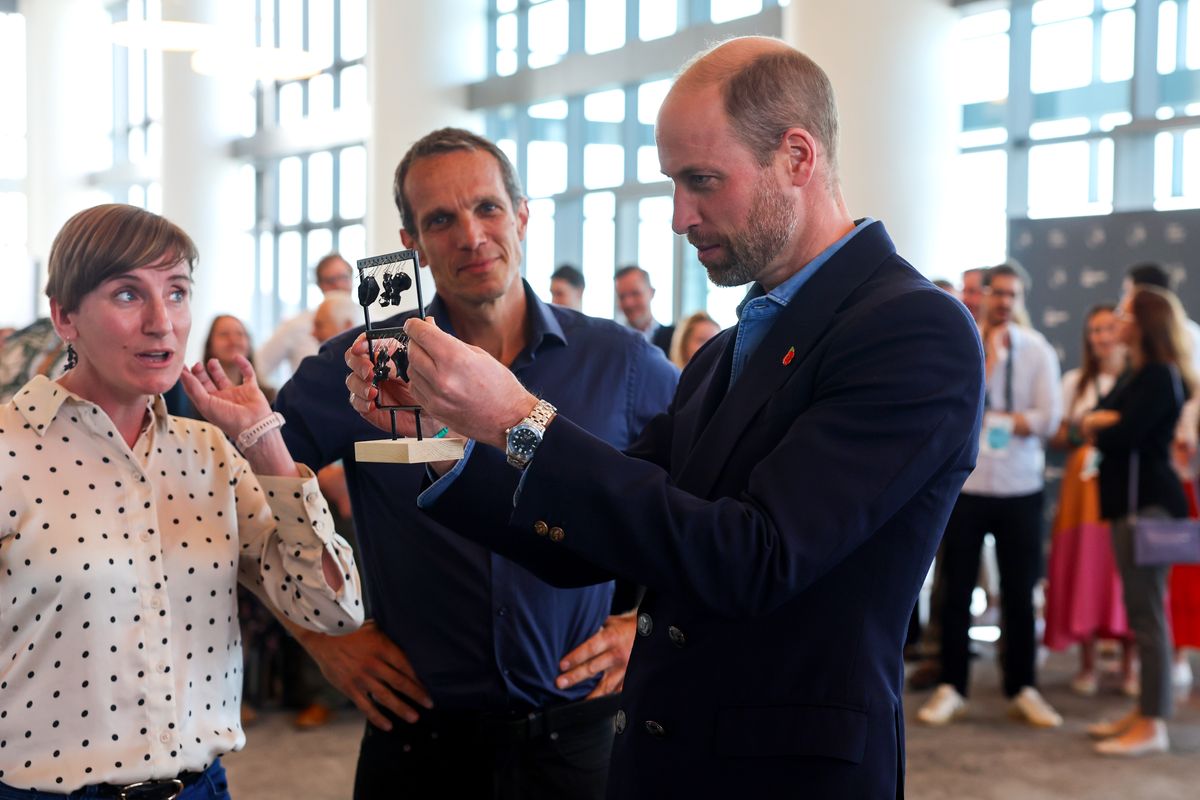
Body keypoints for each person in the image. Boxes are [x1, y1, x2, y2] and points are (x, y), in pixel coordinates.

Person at [356, 37, 985, 797]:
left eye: (702, 181)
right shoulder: (727, 353)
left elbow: (753, 559)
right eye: (673, 184)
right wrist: (446, 438)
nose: (681, 216)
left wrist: (520, 416)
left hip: (782, 775)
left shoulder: (911, 329)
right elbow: (597, 531)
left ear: (797, 157)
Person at [273, 127, 678, 799]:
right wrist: (319, 638)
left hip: (581, 743)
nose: (470, 235)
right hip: (418, 746)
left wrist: (649, 628)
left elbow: (706, 509)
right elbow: (230, 499)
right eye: (440, 219)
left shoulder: (622, 364)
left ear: (522, 214)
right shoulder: (363, 367)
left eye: (487, 207)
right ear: (413, 243)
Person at [0, 203, 363, 798]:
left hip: (199, 787)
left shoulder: (211, 454)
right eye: (126, 295)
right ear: (65, 316)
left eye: (176, 292)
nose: (160, 322)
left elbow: (332, 607)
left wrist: (266, 444)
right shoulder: (9, 447)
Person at [918, 262, 1063, 728]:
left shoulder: (1037, 349)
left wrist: (1009, 421)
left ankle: (1022, 687)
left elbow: (1049, 418)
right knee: (955, 591)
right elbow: (947, 404)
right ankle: (951, 685)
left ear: (1021, 299)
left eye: (1011, 295)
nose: (1002, 301)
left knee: (1019, 592)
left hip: (1021, 486)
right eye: (995, 292)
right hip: (967, 484)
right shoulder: (967, 343)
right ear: (983, 295)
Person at [1084, 285, 1195, 756]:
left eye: (1126, 313)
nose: (1117, 318)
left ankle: (1153, 725)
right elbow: (1094, 417)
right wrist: (1100, 421)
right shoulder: (1140, 373)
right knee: (1142, 613)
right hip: (1135, 505)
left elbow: (1118, 431)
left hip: (1147, 507)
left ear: (1144, 323)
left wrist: (1101, 424)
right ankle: (1145, 712)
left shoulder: (1159, 376)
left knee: (1149, 617)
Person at [1043, 304, 1135, 696]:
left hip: (1123, 488)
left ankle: (1131, 667)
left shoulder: (1136, 381)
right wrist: (1085, 430)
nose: (1101, 337)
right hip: (1081, 494)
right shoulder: (1075, 383)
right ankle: (1086, 664)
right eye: (1094, 330)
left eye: (1107, 329)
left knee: (1125, 572)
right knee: (1084, 569)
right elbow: (1058, 437)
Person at [1122, 262, 1200, 690]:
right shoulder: (1146, 368)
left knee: (1158, 598)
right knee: (1148, 600)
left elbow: (1126, 430)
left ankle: (1161, 691)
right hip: (1165, 477)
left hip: (1172, 477)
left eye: (1127, 304)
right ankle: (1154, 691)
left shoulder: (1166, 367)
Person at [256, 253, 354, 388]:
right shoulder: (295, 325)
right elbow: (259, 366)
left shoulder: (374, 322)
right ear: (320, 285)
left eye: (343, 277)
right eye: (330, 280)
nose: (338, 285)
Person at [614, 265, 673, 356]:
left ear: (651, 292)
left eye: (635, 293)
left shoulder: (675, 339)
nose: (628, 303)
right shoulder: (613, 341)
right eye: (622, 297)